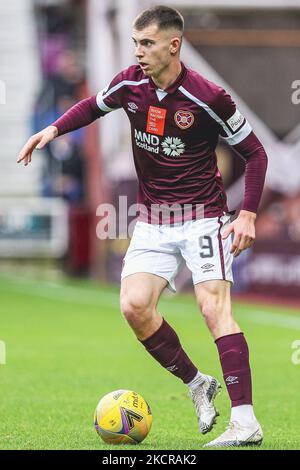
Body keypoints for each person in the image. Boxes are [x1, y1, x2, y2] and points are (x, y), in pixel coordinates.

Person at [17, 5, 267, 447]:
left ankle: (245, 422)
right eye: (135, 43)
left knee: (214, 309)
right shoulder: (129, 82)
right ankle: (196, 384)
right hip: (154, 218)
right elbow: (92, 107)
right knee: (134, 306)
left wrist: (246, 212)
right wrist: (52, 131)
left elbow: (256, 153)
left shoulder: (209, 97)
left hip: (204, 217)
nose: (138, 53)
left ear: (173, 46)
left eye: (147, 43)